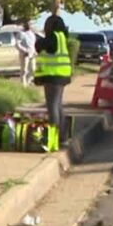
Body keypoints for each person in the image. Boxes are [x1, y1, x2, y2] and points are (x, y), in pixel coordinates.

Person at [34, 14, 72, 145]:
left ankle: (53, 138)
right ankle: (62, 137)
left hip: (52, 76)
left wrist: (37, 38)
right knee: (58, 106)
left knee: (52, 107)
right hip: (62, 75)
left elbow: (39, 46)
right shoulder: (62, 37)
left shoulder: (52, 38)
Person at [16, 20, 36, 86]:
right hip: (24, 55)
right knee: (24, 70)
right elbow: (17, 44)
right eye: (28, 24)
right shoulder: (21, 33)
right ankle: (23, 85)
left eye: (30, 24)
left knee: (33, 69)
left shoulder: (32, 34)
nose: (29, 25)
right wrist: (24, 51)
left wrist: (35, 51)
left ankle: (28, 82)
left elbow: (33, 44)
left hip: (32, 54)